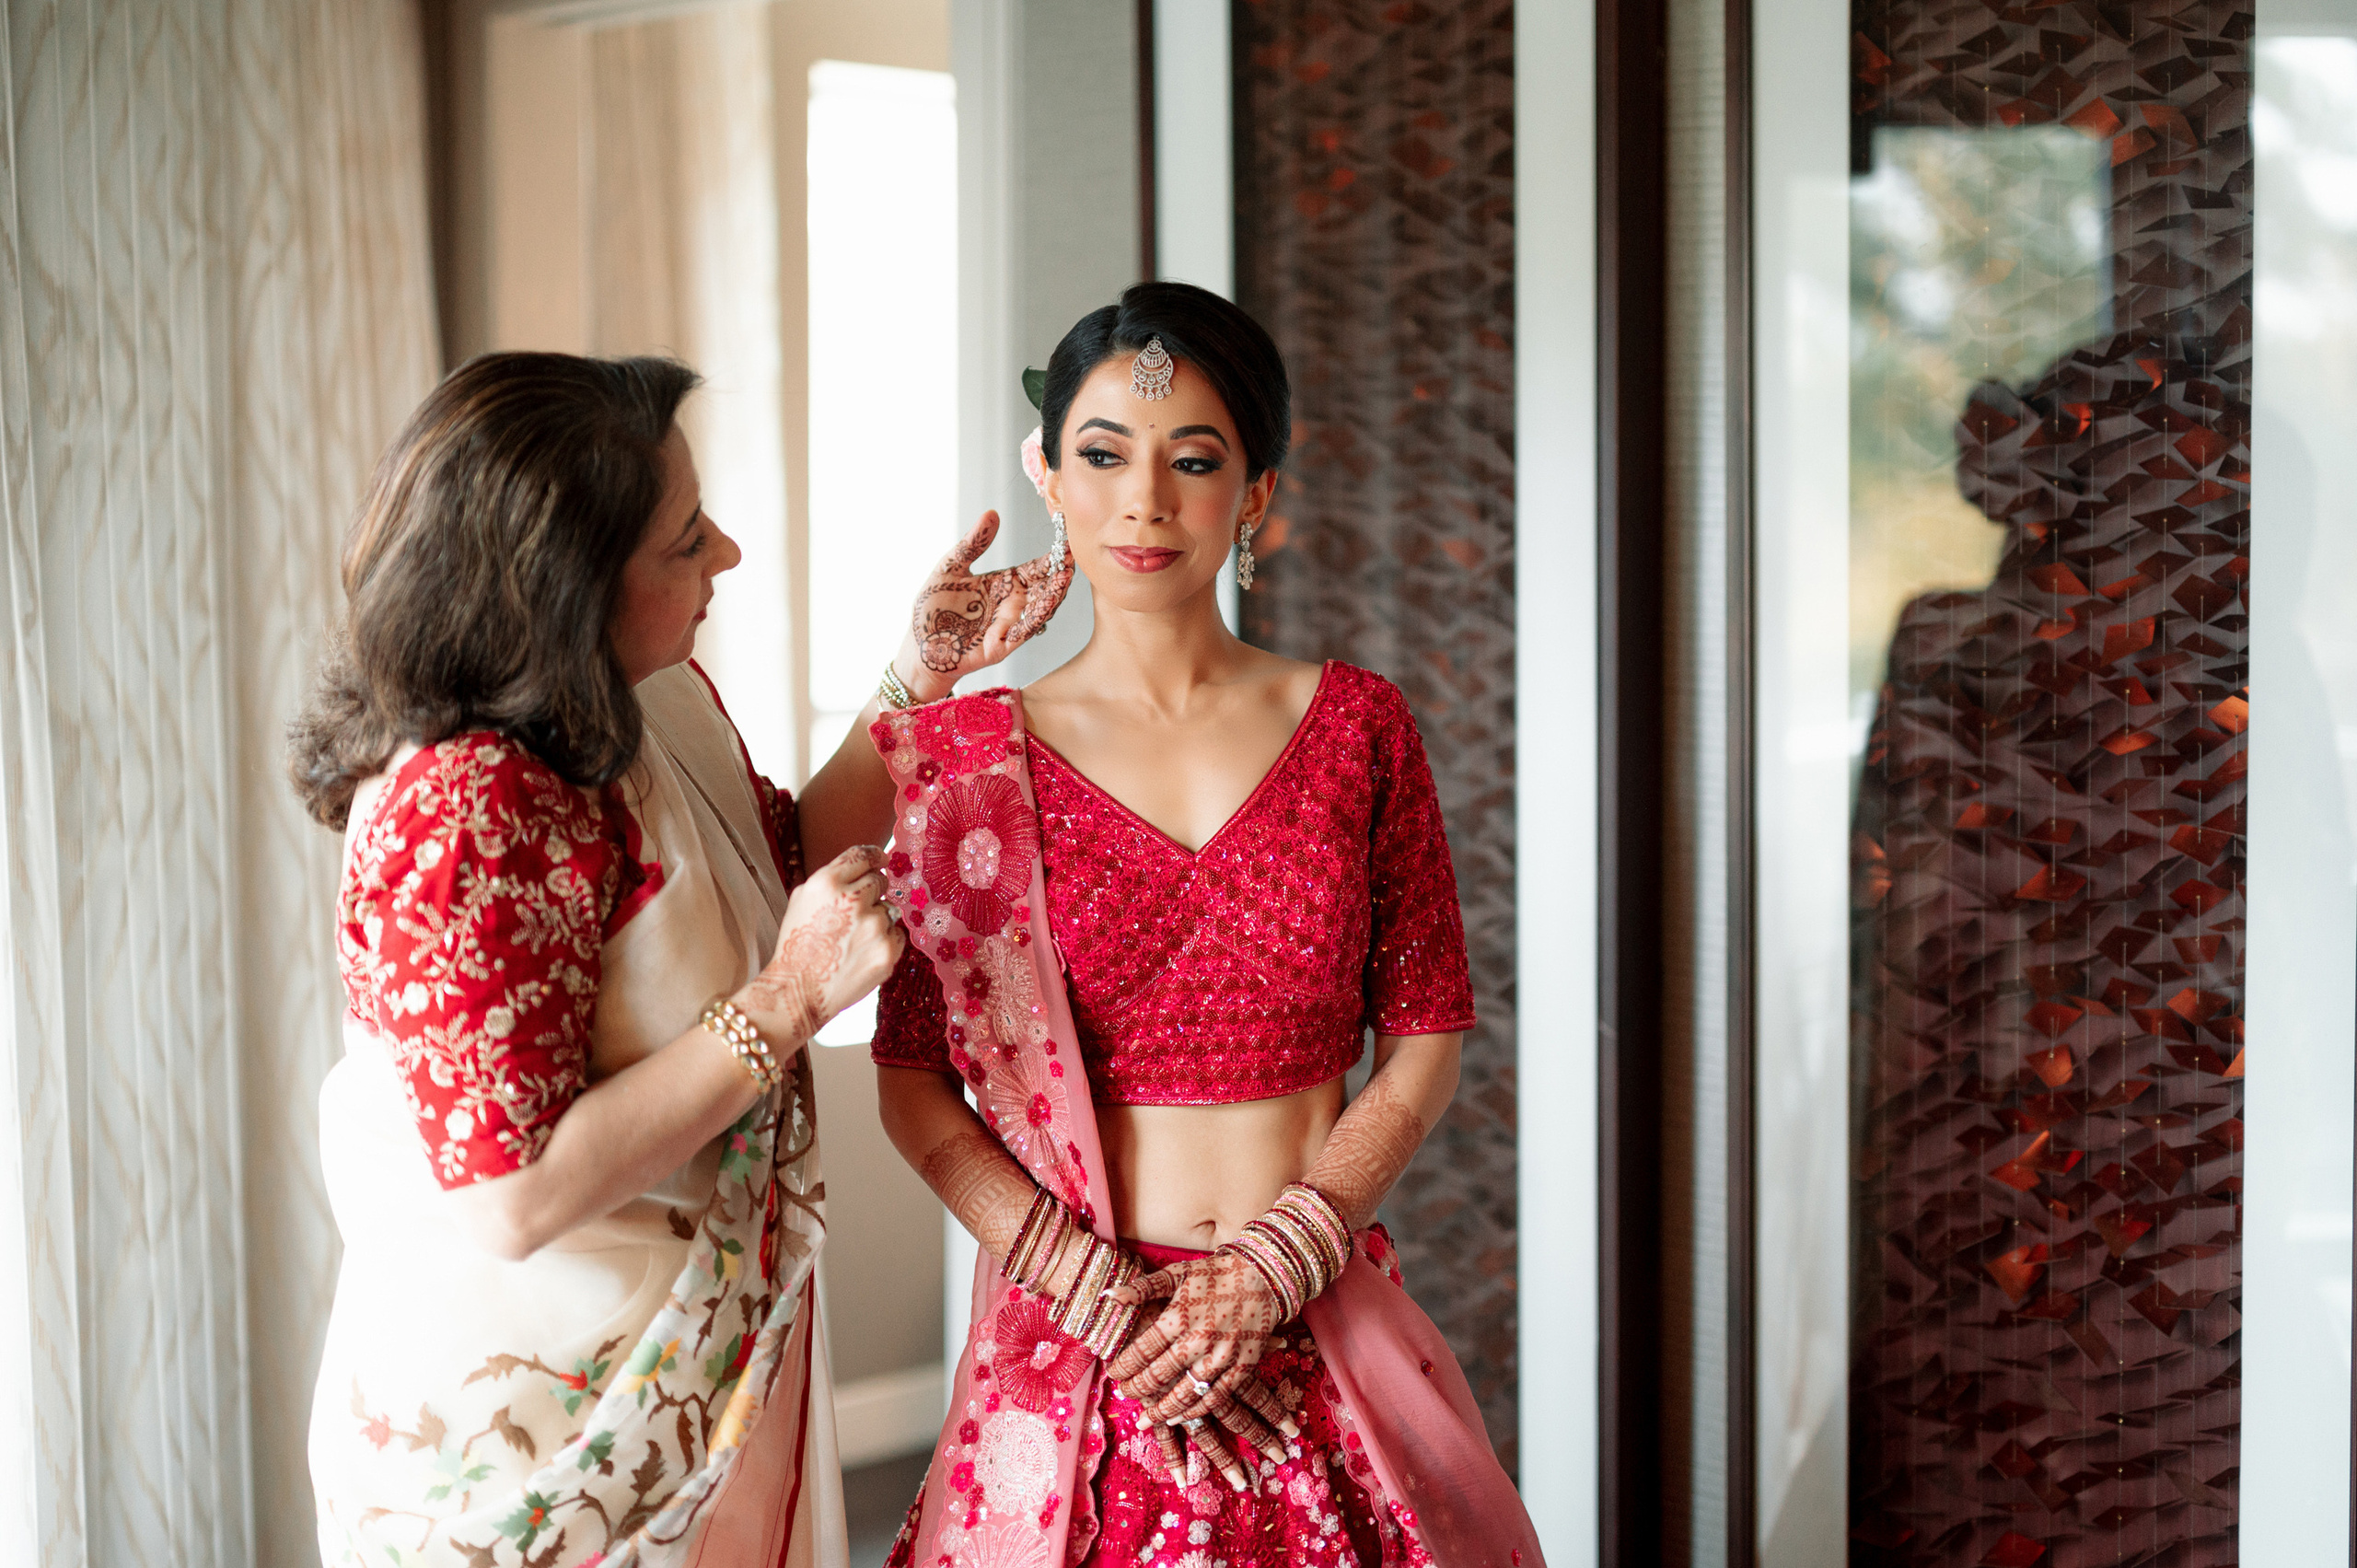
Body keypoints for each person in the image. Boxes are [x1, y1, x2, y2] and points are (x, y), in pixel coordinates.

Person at [291, 351, 1070, 1568]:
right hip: (537, 1426)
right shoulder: (465, 808)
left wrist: (919, 675)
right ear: (568, 583)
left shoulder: (647, 699)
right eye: (685, 538)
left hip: (702, 1362)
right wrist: (792, 997)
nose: (728, 557)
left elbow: (777, 861)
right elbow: (513, 1197)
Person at [867, 284, 1543, 1568]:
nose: (1145, 501)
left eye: (1195, 462)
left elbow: (1426, 1045)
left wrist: (1273, 1269)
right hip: (1082, 1348)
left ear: (1259, 496)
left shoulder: (1358, 729)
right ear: (1049, 477)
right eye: (1104, 457)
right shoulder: (967, 761)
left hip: (1318, 1323)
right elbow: (912, 1086)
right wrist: (1107, 1307)